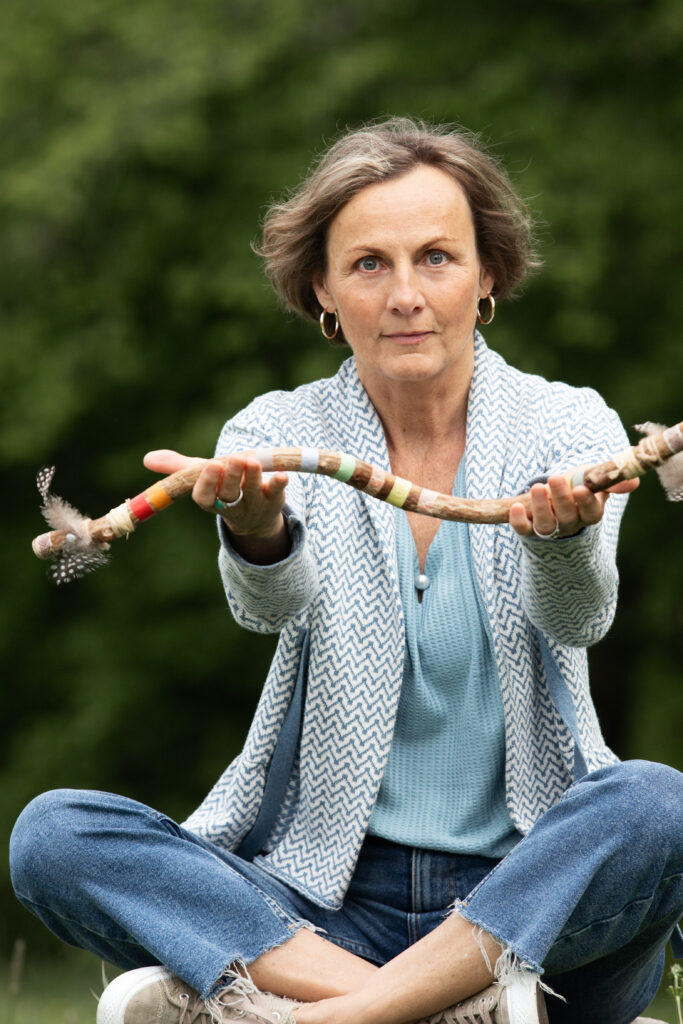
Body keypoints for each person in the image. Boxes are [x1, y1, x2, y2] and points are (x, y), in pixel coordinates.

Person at [9, 118, 683, 1024]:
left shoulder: (569, 427)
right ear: (323, 289)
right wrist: (257, 530)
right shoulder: (270, 432)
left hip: (533, 907)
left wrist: (558, 541)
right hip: (318, 910)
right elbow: (267, 609)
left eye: (436, 258)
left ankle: (309, 1016)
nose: (405, 293)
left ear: (486, 275)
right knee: (53, 836)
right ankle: (440, 1009)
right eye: (369, 264)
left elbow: (579, 620)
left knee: (656, 804)